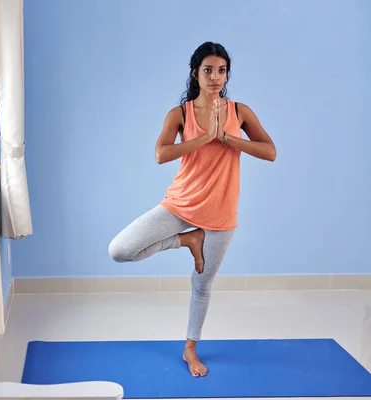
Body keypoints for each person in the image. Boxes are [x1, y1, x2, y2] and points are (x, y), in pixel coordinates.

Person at [108, 42, 276, 378]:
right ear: (195, 72)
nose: (216, 77)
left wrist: (228, 138)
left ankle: (190, 349)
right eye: (208, 70)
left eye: (222, 70)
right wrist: (204, 138)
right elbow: (161, 154)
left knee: (202, 284)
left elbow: (270, 151)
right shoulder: (180, 114)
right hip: (181, 203)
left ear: (227, 74)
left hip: (221, 212)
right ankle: (189, 240)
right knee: (121, 250)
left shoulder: (240, 111)